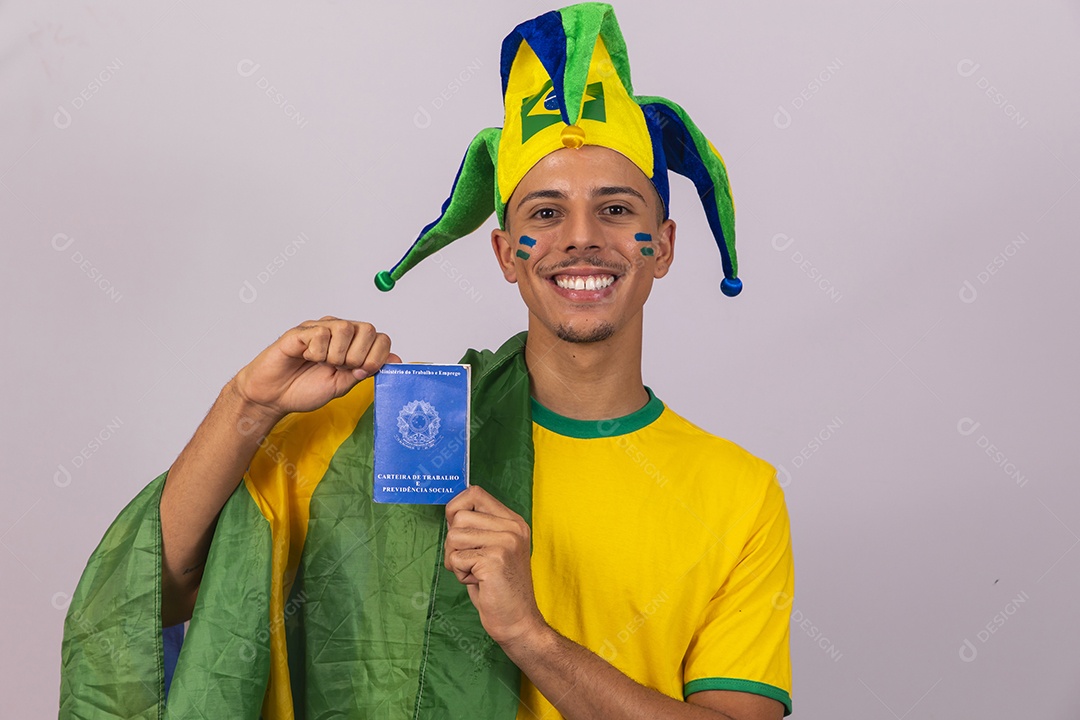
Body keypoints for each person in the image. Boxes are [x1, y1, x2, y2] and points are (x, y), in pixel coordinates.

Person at [60, 4, 793, 719]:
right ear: (507, 253)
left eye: (616, 209)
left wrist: (528, 636)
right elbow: (153, 598)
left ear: (661, 245)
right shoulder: (395, 437)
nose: (581, 238)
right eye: (544, 212)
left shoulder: (738, 492)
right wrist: (249, 404)